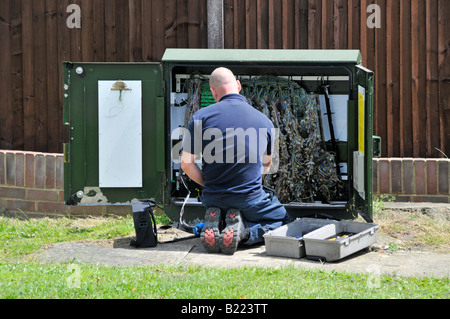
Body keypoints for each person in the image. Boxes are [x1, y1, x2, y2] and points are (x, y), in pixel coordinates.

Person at [181, 67, 291, 255]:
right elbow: (267, 165)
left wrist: (209, 184)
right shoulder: (265, 121)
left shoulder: (201, 117)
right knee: (282, 221)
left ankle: (220, 221)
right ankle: (245, 232)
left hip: (212, 196)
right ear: (238, 86)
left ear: (213, 92)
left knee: (225, 205)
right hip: (248, 198)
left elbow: (186, 163)